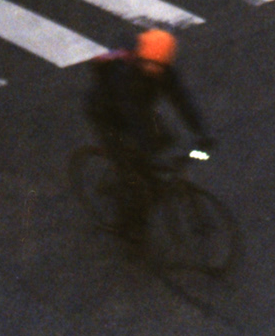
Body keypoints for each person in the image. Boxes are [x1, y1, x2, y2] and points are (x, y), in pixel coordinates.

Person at [85, 28, 213, 242]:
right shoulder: (123, 74)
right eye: (151, 66)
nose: (155, 71)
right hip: (108, 115)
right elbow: (133, 116)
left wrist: (201, 132)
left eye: (160, 67)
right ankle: (128, 226)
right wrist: (147, 148)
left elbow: (181, 99)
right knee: (134, 175)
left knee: (164, 142)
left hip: (140, 109)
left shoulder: (161, 68)